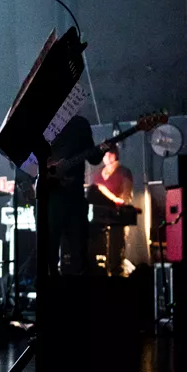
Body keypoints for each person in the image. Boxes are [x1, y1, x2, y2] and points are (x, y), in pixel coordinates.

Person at [46, 115, 104, 275]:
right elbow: (28, 160)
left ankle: (77, 295)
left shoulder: (80, 123)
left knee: (79, 253)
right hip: (50, 198)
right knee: (49, 255)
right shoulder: (42, 122)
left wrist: (101, 151)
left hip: (74, 197)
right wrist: (48, 169)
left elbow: (93, 157)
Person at [91, 148, 133, 276]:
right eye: (105, 154)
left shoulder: (124, 172)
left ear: (116, 155)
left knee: (116, 244)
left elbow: (126, 197)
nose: (106, 157)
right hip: (99, 215)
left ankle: (116, 270)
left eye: (110, 154)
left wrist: (113, 198)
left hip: (117, 215)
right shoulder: (99, 173)